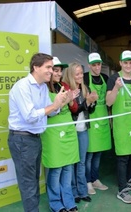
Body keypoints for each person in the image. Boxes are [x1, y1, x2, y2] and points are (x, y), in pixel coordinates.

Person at [8, 53, 69, 212]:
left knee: (33, 181)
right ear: (36, 67)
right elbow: (30, 116)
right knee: (29, 184)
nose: (51, 71)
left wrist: (60, 103)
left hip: (34, 139)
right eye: (48, 67)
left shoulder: (42, 87)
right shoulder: (23, 86)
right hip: (22, 140)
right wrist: (54, 106)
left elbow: (49, 111)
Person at [106, 50, 131, 204]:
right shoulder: (114, 79)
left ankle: (128, 180)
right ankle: (122, 190)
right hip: (122, 124)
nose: (128, 65)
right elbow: (109, 102)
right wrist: (116, 88)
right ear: (121, 63)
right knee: (123, 157)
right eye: (125, 62)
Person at [41, 57, 79, 212]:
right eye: (55, 70)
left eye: (59, 71)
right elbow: (47, 112)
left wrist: (71, 101)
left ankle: (69, 202)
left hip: (68, 130)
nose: (58, 73)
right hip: (53, 133)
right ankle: (56, 203)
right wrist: (63, 102)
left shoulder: (63, 85)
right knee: (56, 170)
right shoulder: (42, 89)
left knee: (68, 168)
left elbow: (75, 109)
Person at [62, 62, 98, 203]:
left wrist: (92, 102)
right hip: (71, 131)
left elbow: (90, 110)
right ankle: (73, 192)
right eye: (77, 74)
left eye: (81, 73)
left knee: (81, 162)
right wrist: (87, 102)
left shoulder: (85, 88)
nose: (80, 76)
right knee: (71, 163)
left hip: (83, 130)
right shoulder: (67, 90)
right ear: (70, 75)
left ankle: (83, 191)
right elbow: (75, 110)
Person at [83, 53, 111, 194]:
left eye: (98, 64)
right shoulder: (85, 78)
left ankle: (95, 179)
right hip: (91, 119)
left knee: (98, 153)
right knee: (89, 154)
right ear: (89, 65)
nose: (97, 67)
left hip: (103, 118)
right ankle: (87, 181)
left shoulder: (105, 78)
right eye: (93, 65)